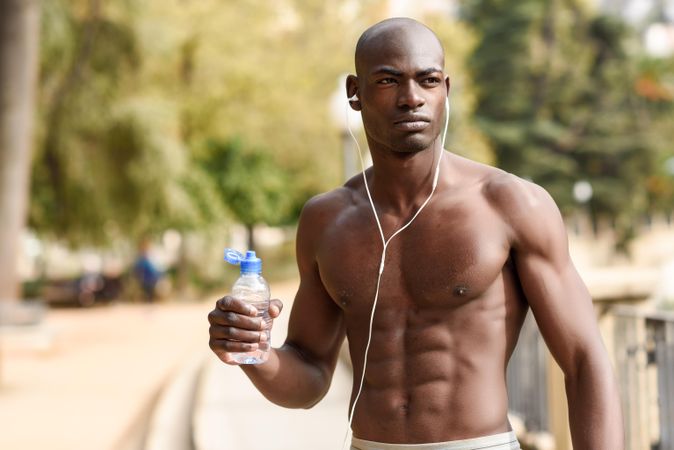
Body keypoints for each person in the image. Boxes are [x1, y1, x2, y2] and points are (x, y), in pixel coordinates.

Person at [207, 18, 624, 450]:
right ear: (355, 92)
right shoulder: (326, 220)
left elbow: (584, 360)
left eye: (427, 81)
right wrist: (253, 352)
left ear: (446, 89)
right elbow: (309, 378)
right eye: (388, 81)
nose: (411, 99)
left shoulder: (510, 204)